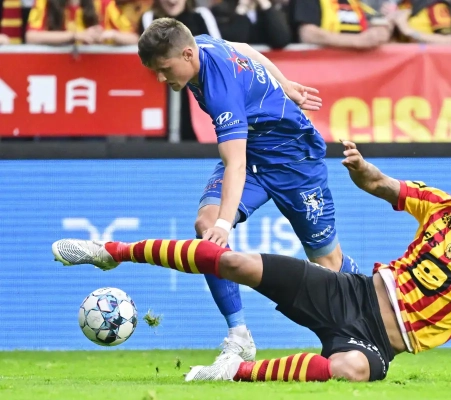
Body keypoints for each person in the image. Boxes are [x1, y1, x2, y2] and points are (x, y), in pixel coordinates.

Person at [52, 141, 451, 383]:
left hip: (380, 343)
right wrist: (362, 168)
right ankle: (112, 253)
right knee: (234, 262)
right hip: (350, 291)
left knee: (349, 369)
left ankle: (232, 372)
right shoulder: (438, 206)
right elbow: (381, 184)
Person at [134, 18, 362, 363]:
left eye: (165, 69)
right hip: (255, 154)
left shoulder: (220, 91)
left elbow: (235, 164)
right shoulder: (202, 44)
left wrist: (225, 225)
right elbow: (243, 49)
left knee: (327, 264)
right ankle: (239, 335)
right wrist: (284, 84)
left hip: (293, 161)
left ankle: (371, 298)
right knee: (205, 225)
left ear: (187, 54)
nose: (161, 79)